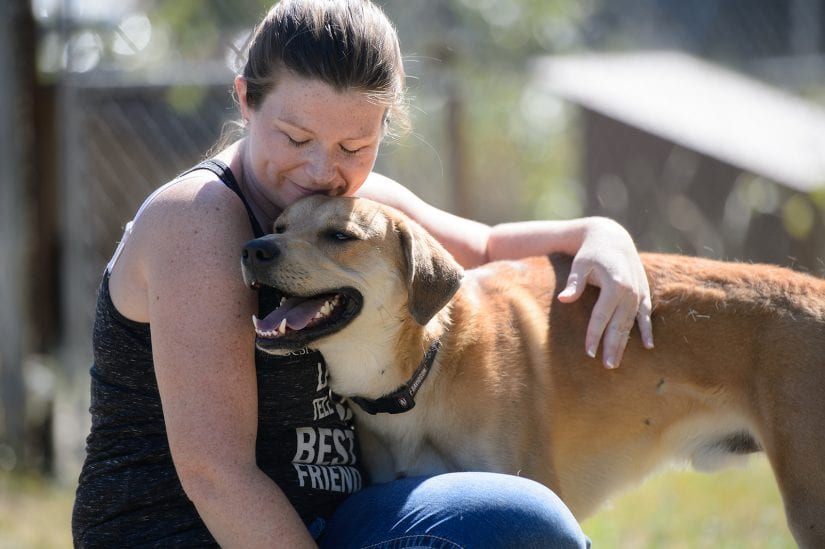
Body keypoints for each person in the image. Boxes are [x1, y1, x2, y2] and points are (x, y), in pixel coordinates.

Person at [72, 0, 654, 547]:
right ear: (245, 99)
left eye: (355, 145)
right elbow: (217, 475)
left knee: (520, 510)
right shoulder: (196, 221)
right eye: (296, 137)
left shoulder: (340, 200)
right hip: (185, 534)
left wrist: (602, 235)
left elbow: (484, 245)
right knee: (522, 523)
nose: (323, 169)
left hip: (336, 520)